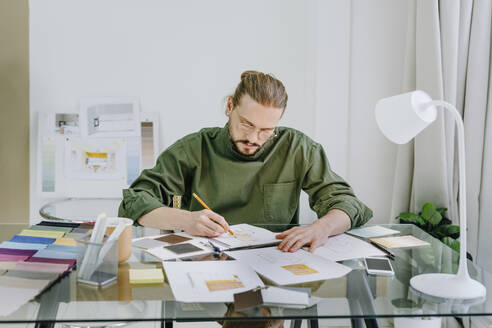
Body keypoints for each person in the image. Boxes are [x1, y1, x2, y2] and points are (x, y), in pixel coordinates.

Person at [118, 70, 372, 253]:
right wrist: (185, 219)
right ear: (230, 106)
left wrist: (322, 227)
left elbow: (348, 203)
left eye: (266, 130)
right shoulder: (193, 149)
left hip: (275, 262)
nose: (253, 138)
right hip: (206, 262)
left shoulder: (297, 148)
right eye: (246, 124)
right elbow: (134, 202)